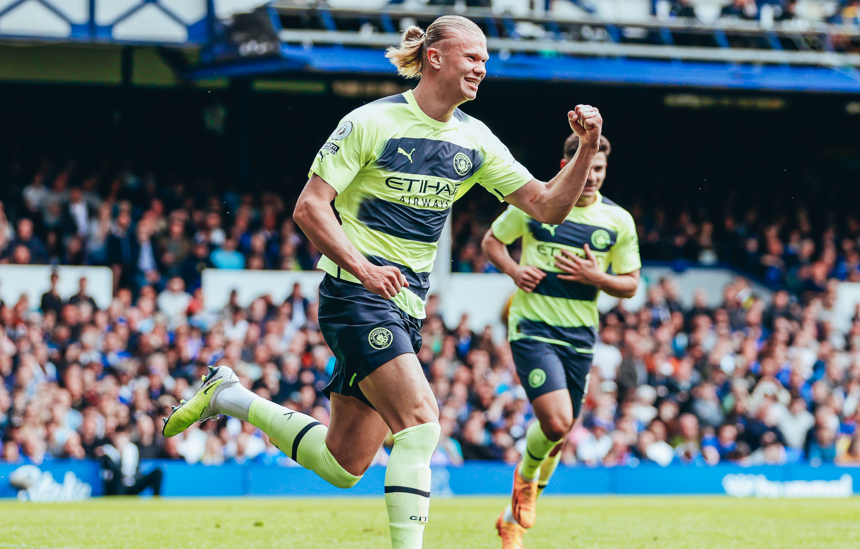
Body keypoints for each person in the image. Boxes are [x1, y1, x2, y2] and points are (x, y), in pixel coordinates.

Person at [161, 15, 603, 549]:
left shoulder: (474, 139)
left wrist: (586, 146)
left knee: (343, 464)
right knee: (421, 424)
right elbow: (310, 208)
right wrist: (364, 268)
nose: (483, 70)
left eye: (485, 61)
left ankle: (229, 397)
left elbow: (547, 207)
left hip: (405, 305)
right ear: (436, 58)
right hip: (355, 293)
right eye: (473, 58)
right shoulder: (371, 121)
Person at [482, 132, 639, 547]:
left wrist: (597, 278)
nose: (592, 177)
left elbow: (631, 285)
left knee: (562, 429)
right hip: (533, 327)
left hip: (580, 336)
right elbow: (491, 242)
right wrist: (515, 272)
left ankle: (510, 519)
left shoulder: (617, 221)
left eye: (599, 170)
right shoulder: (540, 204)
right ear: (567, 164)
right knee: (555, 421)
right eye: (586, 168)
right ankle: (525, 479)